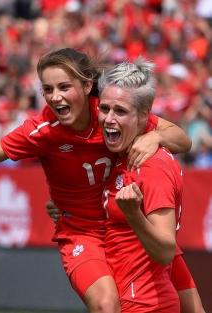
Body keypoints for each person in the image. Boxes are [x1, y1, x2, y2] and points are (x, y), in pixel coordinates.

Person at [0, 48, 193, 313]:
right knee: (106, 304)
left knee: (191, 305)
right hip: (82, 232)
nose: (55, 97)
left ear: (87, 86)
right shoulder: (42, 131)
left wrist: (156, 135)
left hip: (124, 227)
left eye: (64, 87)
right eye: (48, 89)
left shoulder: (109, 113)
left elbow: (182, 139)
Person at [97, 59, 191, 312]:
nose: (108, 119)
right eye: (104, 108)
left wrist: (133, 214)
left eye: (120, 111)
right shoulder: (124, 154)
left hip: (147, 304)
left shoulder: (152, 165)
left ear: (143, 116)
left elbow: (165, 251)